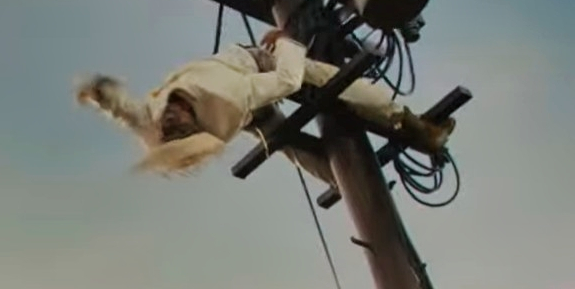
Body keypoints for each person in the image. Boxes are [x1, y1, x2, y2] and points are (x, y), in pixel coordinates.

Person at [75, 29, 455, 183]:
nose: (170, 118)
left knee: (284, 137)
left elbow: (128, 113)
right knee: (322, 78)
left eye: (170, 123)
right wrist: (285, 41)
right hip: (255, 72)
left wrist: (101, 94)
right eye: (177, 125)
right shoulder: (232, 94)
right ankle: (407, 126)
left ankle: (355, 168)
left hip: (243, 91)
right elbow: (288, 80)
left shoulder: (157, 120)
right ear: (192, 122)